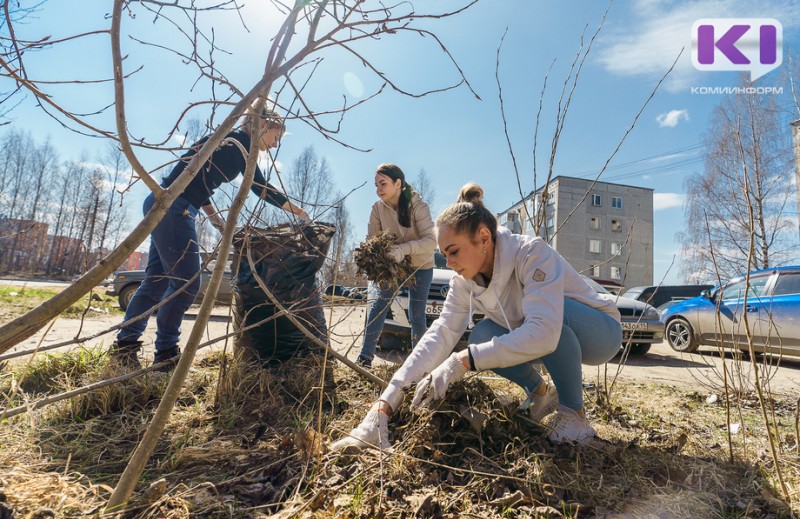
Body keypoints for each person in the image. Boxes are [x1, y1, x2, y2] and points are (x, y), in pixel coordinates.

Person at [333, 183, 623, 448]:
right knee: (484, 334)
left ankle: (575, 416)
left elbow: (545, 332)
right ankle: (540, 392)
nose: (448, 262)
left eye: (454, 251)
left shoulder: (531, 254)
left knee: (548, 321)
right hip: (548, 334)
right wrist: (386, 402)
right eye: (444, 254)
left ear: (483, 237)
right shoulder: (463, 283)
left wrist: (463, 360)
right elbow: (441, 334)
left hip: (600, 331)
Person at [110, 108, 309, 370]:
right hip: (174, 207)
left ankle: (124, 348)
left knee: (156, 282)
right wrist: (298, 211)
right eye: (276, 136)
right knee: (186, 284)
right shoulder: (238, 145)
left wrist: (216, 219)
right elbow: (260, 188)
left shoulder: (226, 142)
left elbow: (196, 181)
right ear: (262, 125)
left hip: (165, 203)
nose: (275, 144)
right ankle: (166, 353)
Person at [355, 163, 436, 368]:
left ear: (398, 183)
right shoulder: (377, 209)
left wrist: (402, 249)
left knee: (417, 315)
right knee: (379, 305)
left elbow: (430, 242)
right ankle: (365, 358)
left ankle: (420, 364)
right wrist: (367, 255)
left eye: (383, 183)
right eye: (376, 185)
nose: (378, 189)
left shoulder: (418, 206)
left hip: (421, 266)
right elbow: (372, 240)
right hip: (393, 267)